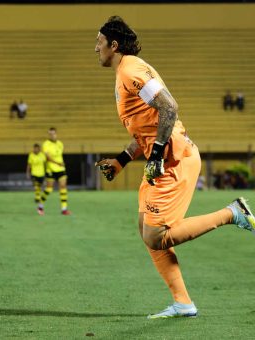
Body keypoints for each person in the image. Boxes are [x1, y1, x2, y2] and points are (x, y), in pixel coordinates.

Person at [94, 16, 255, 319]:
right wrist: (122, 160)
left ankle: (232, 212)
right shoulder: (128, 70)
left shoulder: (130, 69)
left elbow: (169, 107)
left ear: (113, 45)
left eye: (99, 42)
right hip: (164, 159)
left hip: (173, 161)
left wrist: (155, 156)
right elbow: (148, 128)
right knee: (146, 230)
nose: (95, 48)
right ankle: (183, 303)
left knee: (156, 235)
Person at [40, 127, 70, 215]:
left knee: (63, 186)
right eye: (50, 134)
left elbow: (59, 155)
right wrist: (57, 163)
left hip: (60, 169)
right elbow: (48, 158)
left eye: (53, 133)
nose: (52, 135)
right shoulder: (46, 144)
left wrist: (60, 164)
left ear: (56, 134)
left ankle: (64, 209)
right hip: (51, 169)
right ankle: (40, 206)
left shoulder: (60, 144)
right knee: (49, 189)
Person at [26, 143, 47, 215]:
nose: (36, 149)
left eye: (37, 148)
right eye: (35, 148)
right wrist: (28, 173)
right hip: (34, 174)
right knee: (36, 186)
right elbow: (29, 165)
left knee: (41, 188)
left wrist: (46, 173)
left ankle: (38, 198)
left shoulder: (42, 155)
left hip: (41, 174)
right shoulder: (31, 155)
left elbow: (45, 165)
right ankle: (38, 198)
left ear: (39, 149)